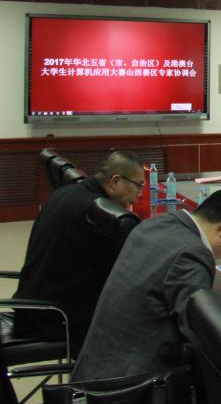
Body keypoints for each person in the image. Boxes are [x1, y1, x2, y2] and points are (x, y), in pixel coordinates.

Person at [71, 187, 221, 381]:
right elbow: (206, 340)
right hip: (128, 388)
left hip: (94, 368)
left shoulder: (157, 224)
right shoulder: (191, 254)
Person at [14, 150, 144, 352]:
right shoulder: (99, 214)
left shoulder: (65, 193)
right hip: (57, 319)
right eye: (138, 186)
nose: (140, 194)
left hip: (31, 307)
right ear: (115, 181)